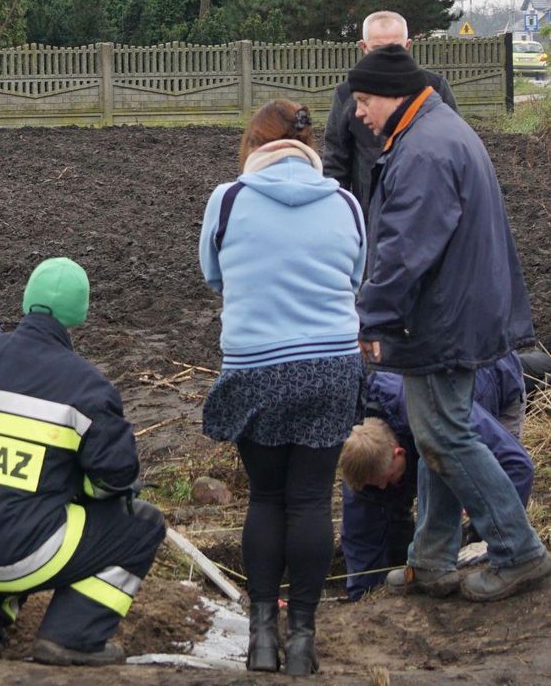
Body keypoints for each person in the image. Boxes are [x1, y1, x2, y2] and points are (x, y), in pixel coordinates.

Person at [349, 45, 550, 602]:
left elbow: (405, 249)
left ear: (392, 95)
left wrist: (371, 317)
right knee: (437, 432)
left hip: (442, 319)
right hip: (460, 311)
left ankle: (518, 549)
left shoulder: (425, 151)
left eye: (364, 101)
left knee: (444, 434)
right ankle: (431, 559)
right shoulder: (439, 131)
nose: (359, 113)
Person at [199, 99, 366, 676]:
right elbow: (356, 277)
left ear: (254, 146)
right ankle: (303, 642)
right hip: (331, 367)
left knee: (266, 499)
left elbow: (213, 274)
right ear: (308, 147)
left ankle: (261, 638)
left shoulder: (229, 199)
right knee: (313, 500)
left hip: (256, 369)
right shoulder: (345, 202)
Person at [0, 257, 166, 666]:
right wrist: (77, 488)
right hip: (24, 552)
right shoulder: (87, 387)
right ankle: (72, 636)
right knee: (142, 525)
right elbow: (117, 477)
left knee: (13, 505)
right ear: (81, 314)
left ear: (25, 301)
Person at [339, 360, 534, 601]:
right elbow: (362, 531)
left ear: (398, 452)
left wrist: (488, 542)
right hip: (423, 399)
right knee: (393, 492)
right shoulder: (361, 450)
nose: (380, 487)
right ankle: (427, 563)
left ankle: (516, 556)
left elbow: (516, 465)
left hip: (491, 377)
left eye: (385, 479)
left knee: (475, 479)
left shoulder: (436, 417)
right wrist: (362, 597)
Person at [323, 11, 458, 220]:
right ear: (363, 47)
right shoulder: (346, 95)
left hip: (426, 214)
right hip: (369, 217)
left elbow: (454, 154)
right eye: (378, 49)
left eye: (394, 49)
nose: (387, 58)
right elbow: (335, 163)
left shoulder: (434, 89)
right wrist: (339, 217)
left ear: (408, 46)